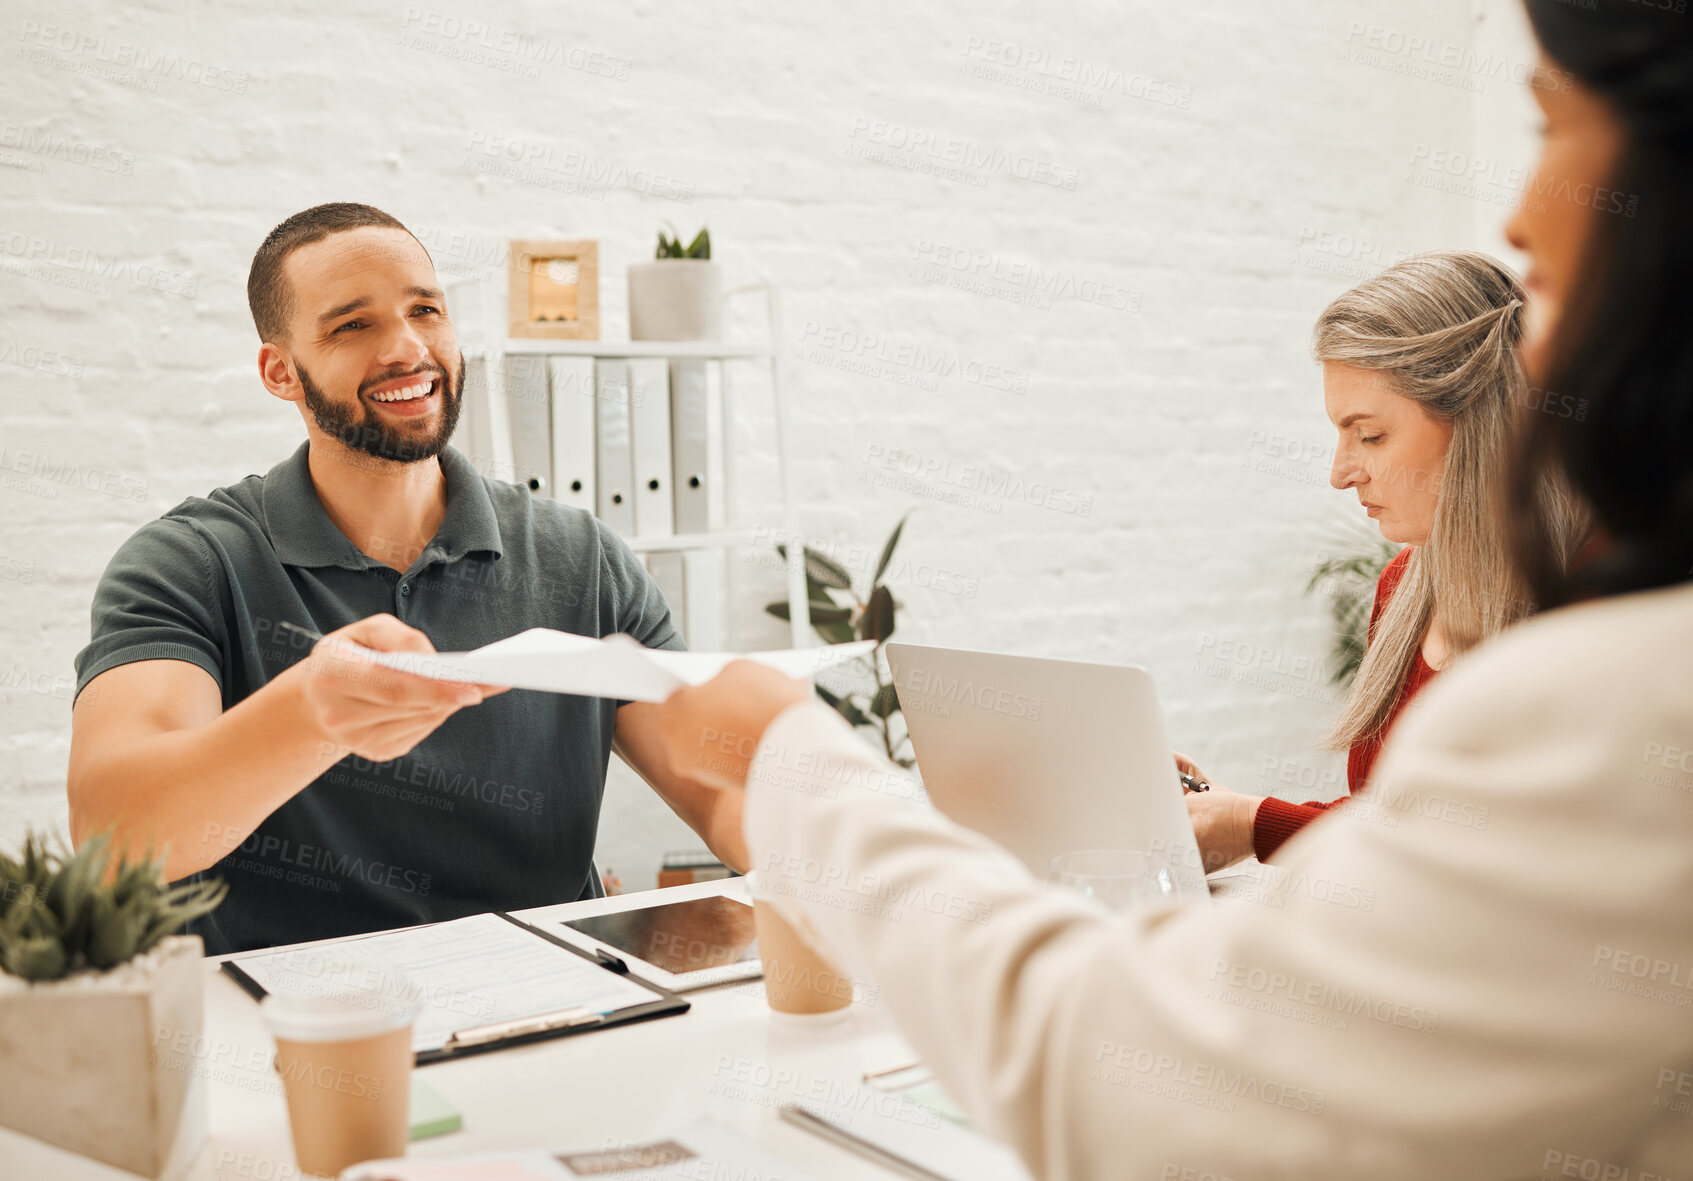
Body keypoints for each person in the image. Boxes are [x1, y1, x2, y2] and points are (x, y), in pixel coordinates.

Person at [650, 3, 1693, 1174]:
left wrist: (795, 775)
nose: (1521, 211)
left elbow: (1140, 1081)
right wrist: (1253, 824)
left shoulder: (1618, 690)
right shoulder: (1477, 612)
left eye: (1549, 120)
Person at [66, 203, 743, 955]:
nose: (408, 348)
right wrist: (308, 711)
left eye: (426, 309)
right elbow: (116, 834)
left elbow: (727, 784)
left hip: (560, 999)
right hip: (298, 1030)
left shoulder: (580, 558)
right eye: (352, 325)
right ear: (279, 371)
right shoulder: (189, 562)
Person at [1183, 250, 1586, 869]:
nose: (1341, 473)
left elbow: (1494, 842)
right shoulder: (1402, 587)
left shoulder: (1586, 611)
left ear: (1479, 423)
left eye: (1368, 435)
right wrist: (1222, 811)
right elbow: (1389, 822)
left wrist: (1252, 824)